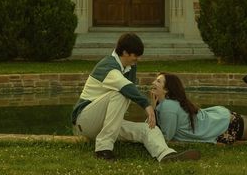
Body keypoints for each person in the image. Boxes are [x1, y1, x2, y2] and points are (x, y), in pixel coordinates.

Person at [71, 32, 201, 162]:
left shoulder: (129, 67)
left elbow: (129, 90)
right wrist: (147, 105)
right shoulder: (107, 66)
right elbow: (127, 88)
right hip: (85, 121)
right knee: (120, 93)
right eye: (136, 55)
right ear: (126, 52)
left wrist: (152, 109)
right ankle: (103, 149)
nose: (138, 59)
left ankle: (166, 155)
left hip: (105, 125)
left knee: (148, 128)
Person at [151, 67, 247, 145]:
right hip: (222, 121)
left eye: (158, 81)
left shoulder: (168, 107)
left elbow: (165, 138)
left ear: (167, 89)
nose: (153, 83)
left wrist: (153, 109)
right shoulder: (171, 103)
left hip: (224, 126)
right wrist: (153, 106)